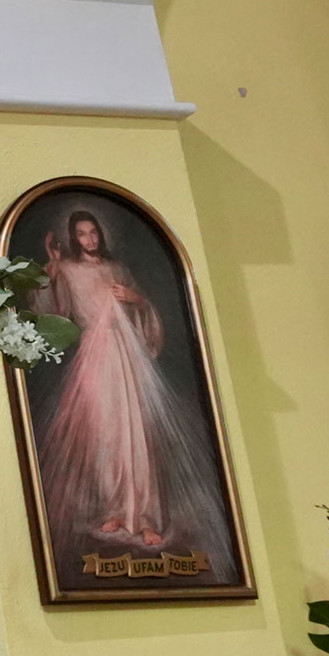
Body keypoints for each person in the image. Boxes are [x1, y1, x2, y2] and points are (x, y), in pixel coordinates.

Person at [32, 209, 232, 560]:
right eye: (82, 234)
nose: (90, 239)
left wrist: (135, 299)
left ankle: (146, 517)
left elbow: (145, 312)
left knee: (139, 434)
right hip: (95, 358)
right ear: (74, 238)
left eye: (94, 232)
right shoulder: (67, 269)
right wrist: (52, 267)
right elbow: (51, 314)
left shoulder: (118, 269)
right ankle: (114, 509)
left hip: (128, 355)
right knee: (106, 435)